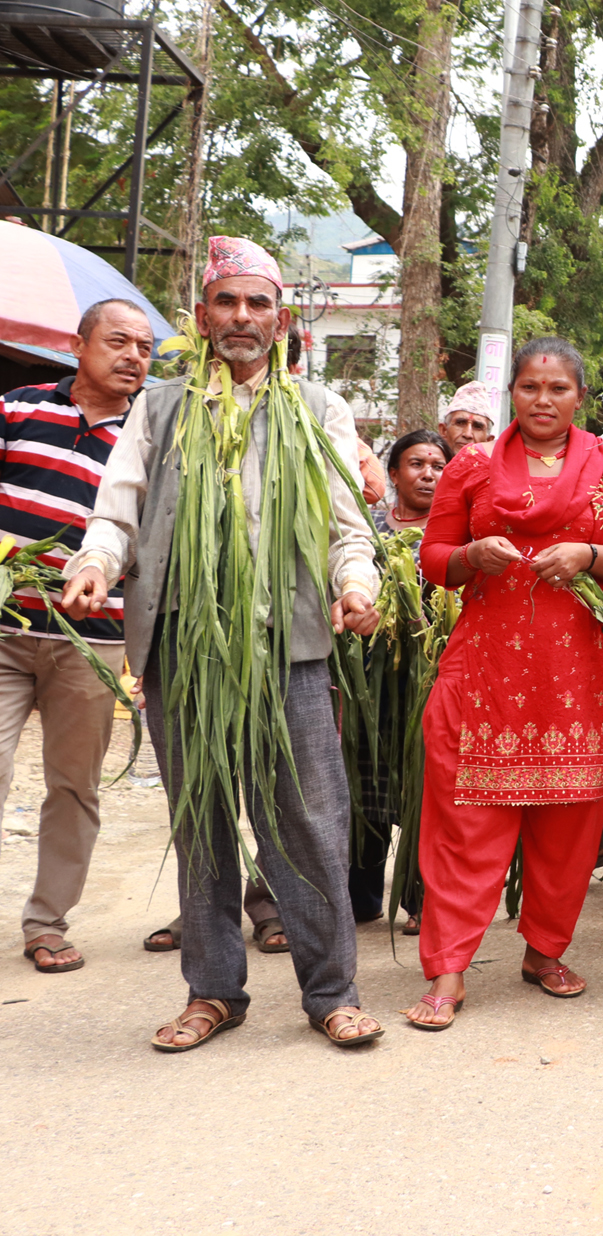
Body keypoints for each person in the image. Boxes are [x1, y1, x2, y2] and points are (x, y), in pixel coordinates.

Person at [61, 236, 387, 1051]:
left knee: (309, 822)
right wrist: (96, 563)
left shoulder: (319, 410)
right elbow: (118, 506)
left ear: (281, 320)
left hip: (292, 649)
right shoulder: (161, 406)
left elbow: (351, 528)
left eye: (258, 303)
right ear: (202, 316)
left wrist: (359, 588)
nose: (242, 317)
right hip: (185, 647)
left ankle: (331, 993)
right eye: (227, 302)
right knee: (199, 817)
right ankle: (213, 992)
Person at [400, 337, 603, 1030]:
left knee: (568, 826)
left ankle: (545, 951)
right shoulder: (473, 467)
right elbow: (433, 557)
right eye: (532, 387)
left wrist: (590, 554)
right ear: (513, 392)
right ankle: (448, 968)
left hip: (572, 674)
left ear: (580, 398)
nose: (544, 400)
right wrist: (471, 554)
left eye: (559, 389)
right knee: (466, 822)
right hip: (486, 672)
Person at [6, 299, 149, 975]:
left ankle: (46, 923)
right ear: (78, 345)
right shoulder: (17, 408)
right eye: (118, 341)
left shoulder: (149, 436)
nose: (133, 357)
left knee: (73, 785)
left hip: (93, 642)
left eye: (145, 348)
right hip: (4, 630)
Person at [349, 428, 452, 934]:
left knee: (423, 779)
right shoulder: (367, 528)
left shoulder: (458, 533)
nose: (428, 474)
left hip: (431, 674)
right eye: (416, 464)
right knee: (364, 773)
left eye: (437, 465)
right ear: (393, 474)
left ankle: (420, 896)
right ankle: (361, 894)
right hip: (369, 676)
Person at [437, 381, 494, 453]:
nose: (467, 434)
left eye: (477, 427)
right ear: (444, 430)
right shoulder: (426, 462)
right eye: (460, 423)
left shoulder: (496, 464)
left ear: (488, 440)